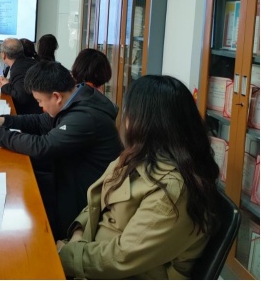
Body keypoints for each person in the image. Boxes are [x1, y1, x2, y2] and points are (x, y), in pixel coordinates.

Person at [58, 75, 221, 279]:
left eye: (128, 113)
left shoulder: (173, 190)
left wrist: (67, 255)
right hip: (91, 256)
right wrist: (78, 234)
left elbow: (122, 257)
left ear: (143, 123)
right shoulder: (136, 157)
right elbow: (97, 201)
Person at [0, 61, 122, 241]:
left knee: (23, 210)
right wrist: (4, 121)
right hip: (68, 176)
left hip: (86, 198)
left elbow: (43, 146)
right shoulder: (76, 97)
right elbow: (41, 121)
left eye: (40, 101)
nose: (41, 106)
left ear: (56, 97)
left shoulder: (84, 117)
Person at [0, 38, 41, 115]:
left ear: (3, 55)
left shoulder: (19, 69)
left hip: (29, 114)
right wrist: (9, 82)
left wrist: (5, 86)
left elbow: (22, 97)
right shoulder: (29, 62)